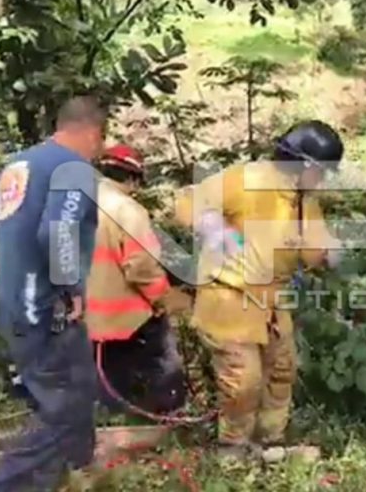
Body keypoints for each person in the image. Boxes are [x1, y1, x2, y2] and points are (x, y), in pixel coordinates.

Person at [173, 120, 343, 461]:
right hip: (229, 297)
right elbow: (188, 201)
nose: (323, 179)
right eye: (321, 171)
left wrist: (328, 253)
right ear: (304, 164)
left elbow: (312, 244)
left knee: (281, 372)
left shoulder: (301, 199)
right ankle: (233, 449)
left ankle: (270, 444)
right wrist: (213, 226)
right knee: (243, 379)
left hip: (272, 302)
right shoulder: (248, 179)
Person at [0, 96, 107, 491]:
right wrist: (71, 286)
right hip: (44, 305)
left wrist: (7, 249)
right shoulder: (74, 168)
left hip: (13, 301)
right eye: (101, 143)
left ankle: (73, 472)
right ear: (93, 134)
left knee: (72, 390)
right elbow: (57, 231)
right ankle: (0, 485)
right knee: (64, 407)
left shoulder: (20, 164)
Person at [86, 144, 185, 414]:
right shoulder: (127, 210)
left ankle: (113, 423)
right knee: (163, 367)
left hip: (86, 315)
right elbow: (140, 266)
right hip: (128, 316)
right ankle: (170, 423)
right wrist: (162, 299)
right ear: (131, 178)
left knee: (109, 377)